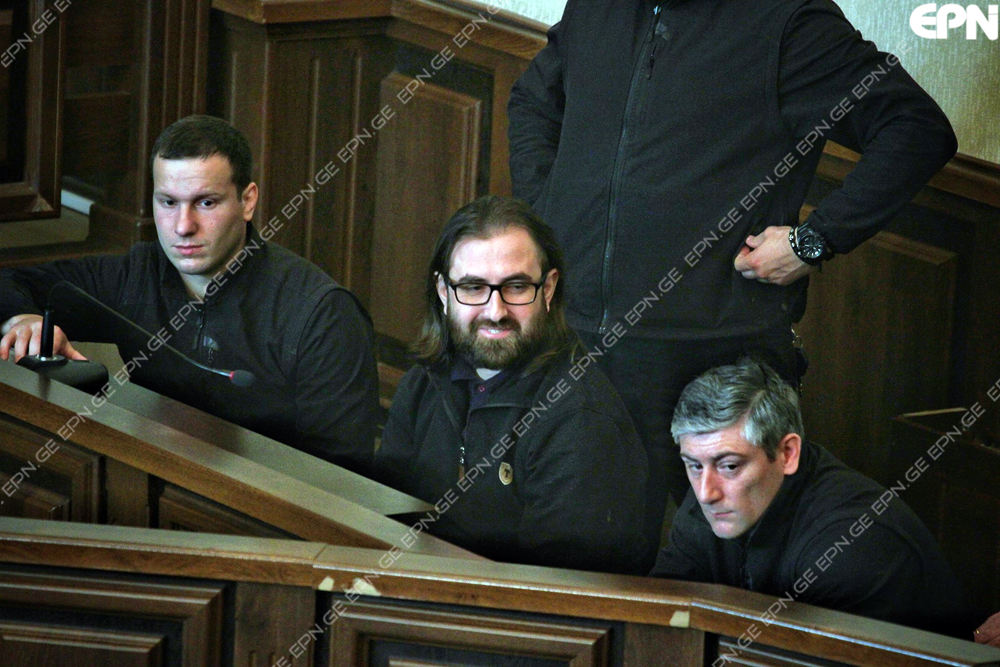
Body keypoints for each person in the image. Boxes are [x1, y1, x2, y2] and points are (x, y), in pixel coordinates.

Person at [507, 0, 959, 566]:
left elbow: (916, 129)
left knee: (738, 576)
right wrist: (549, 217)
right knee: (582, 569)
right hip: (580, 344)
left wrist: (813, 241)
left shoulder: (789, 21)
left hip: (715, 358)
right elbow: (533, 101)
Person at [0, 115, 379, 475]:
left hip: (268, 506)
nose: (183, 226)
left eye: (206, 202)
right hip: (150, 481)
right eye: (168, 202)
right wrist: (24, 319)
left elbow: (344, 477)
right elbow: (12, 283)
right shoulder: (137, 273)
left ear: (247, 201)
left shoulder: (322, 315)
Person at [375, 195, 647, 574]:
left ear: (548, 289)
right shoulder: (423, 381)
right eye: (473, 287)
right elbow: (382, 522)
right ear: (443, 293)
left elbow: (552, 591)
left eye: (516, 287)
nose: (496, 311)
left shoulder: (580, 419)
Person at [650, 359, 973, 636]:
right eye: (694, 465)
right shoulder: (711, 497)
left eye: (730, 466)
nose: (705, 493)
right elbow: (658, 619)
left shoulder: (852, 542)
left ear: (788, 453)